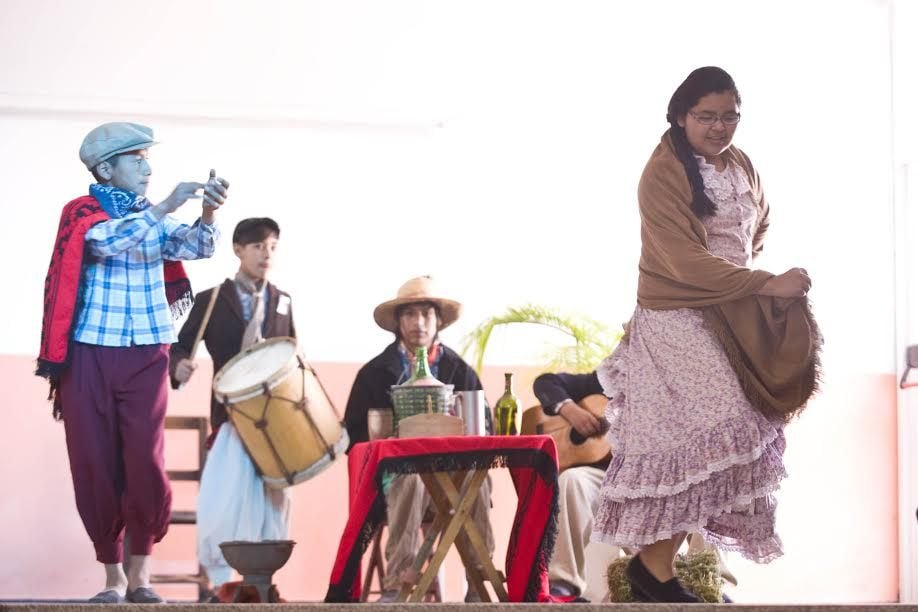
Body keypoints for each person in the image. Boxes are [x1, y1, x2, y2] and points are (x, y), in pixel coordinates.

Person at [589, 67, 821, 603]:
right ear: (680, 116)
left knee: (712, 445)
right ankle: (651, 570)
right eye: (706, 116)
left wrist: (749, 283)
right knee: (718, 431)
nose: (719, 127)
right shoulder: (663, 170)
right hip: (677, 318)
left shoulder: (740, 164)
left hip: (727, 312)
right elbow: (683, 259)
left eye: (729, 116)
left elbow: (755, 228)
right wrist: (763, 283)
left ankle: (654, 571)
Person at [36, 122, 229, 603]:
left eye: (147, 158)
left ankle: (141, 576)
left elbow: (198, 247)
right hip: (89, 353)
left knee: (145, 461)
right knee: (94, 462)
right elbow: (105, 242)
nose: (147, 168)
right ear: (106, 169)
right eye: (136, 159)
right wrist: (163, 207)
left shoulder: (150, 215)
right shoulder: (82, 213)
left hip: (147, 352)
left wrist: (207, 212)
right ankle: (114, 578)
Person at [343, 275, 495, 602]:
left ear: (438, 320)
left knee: (478, 480)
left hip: (452, 481)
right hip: (394, 482)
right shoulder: (373, 374)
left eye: (426, 314)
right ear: (398, 322)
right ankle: (398, 584)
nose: (419, 323)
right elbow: (353, 435)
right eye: (410, 314)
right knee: (409, 477)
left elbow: (487, 427)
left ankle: (479, 583)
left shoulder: (460, 371)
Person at [170, 217, 295, 598]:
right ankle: (226, 583)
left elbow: (292, 357)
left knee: (275, 500)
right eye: (257, 246)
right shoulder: (212, 300)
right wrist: (179, 365)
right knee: (227, 497)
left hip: (274, 419)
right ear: (238, 250)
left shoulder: (283, 301)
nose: (266, 254)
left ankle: (262, 583)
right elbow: (181, 346)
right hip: (231, 415)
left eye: (272, 247)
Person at [533, 370, 737, 602]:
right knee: (571, 480)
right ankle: (563, 583)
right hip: (609, 478)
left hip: (664, 481)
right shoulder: (612, 375)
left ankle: (708, 578)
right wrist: (571, 410)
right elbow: (546, 382)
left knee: (712, 483)